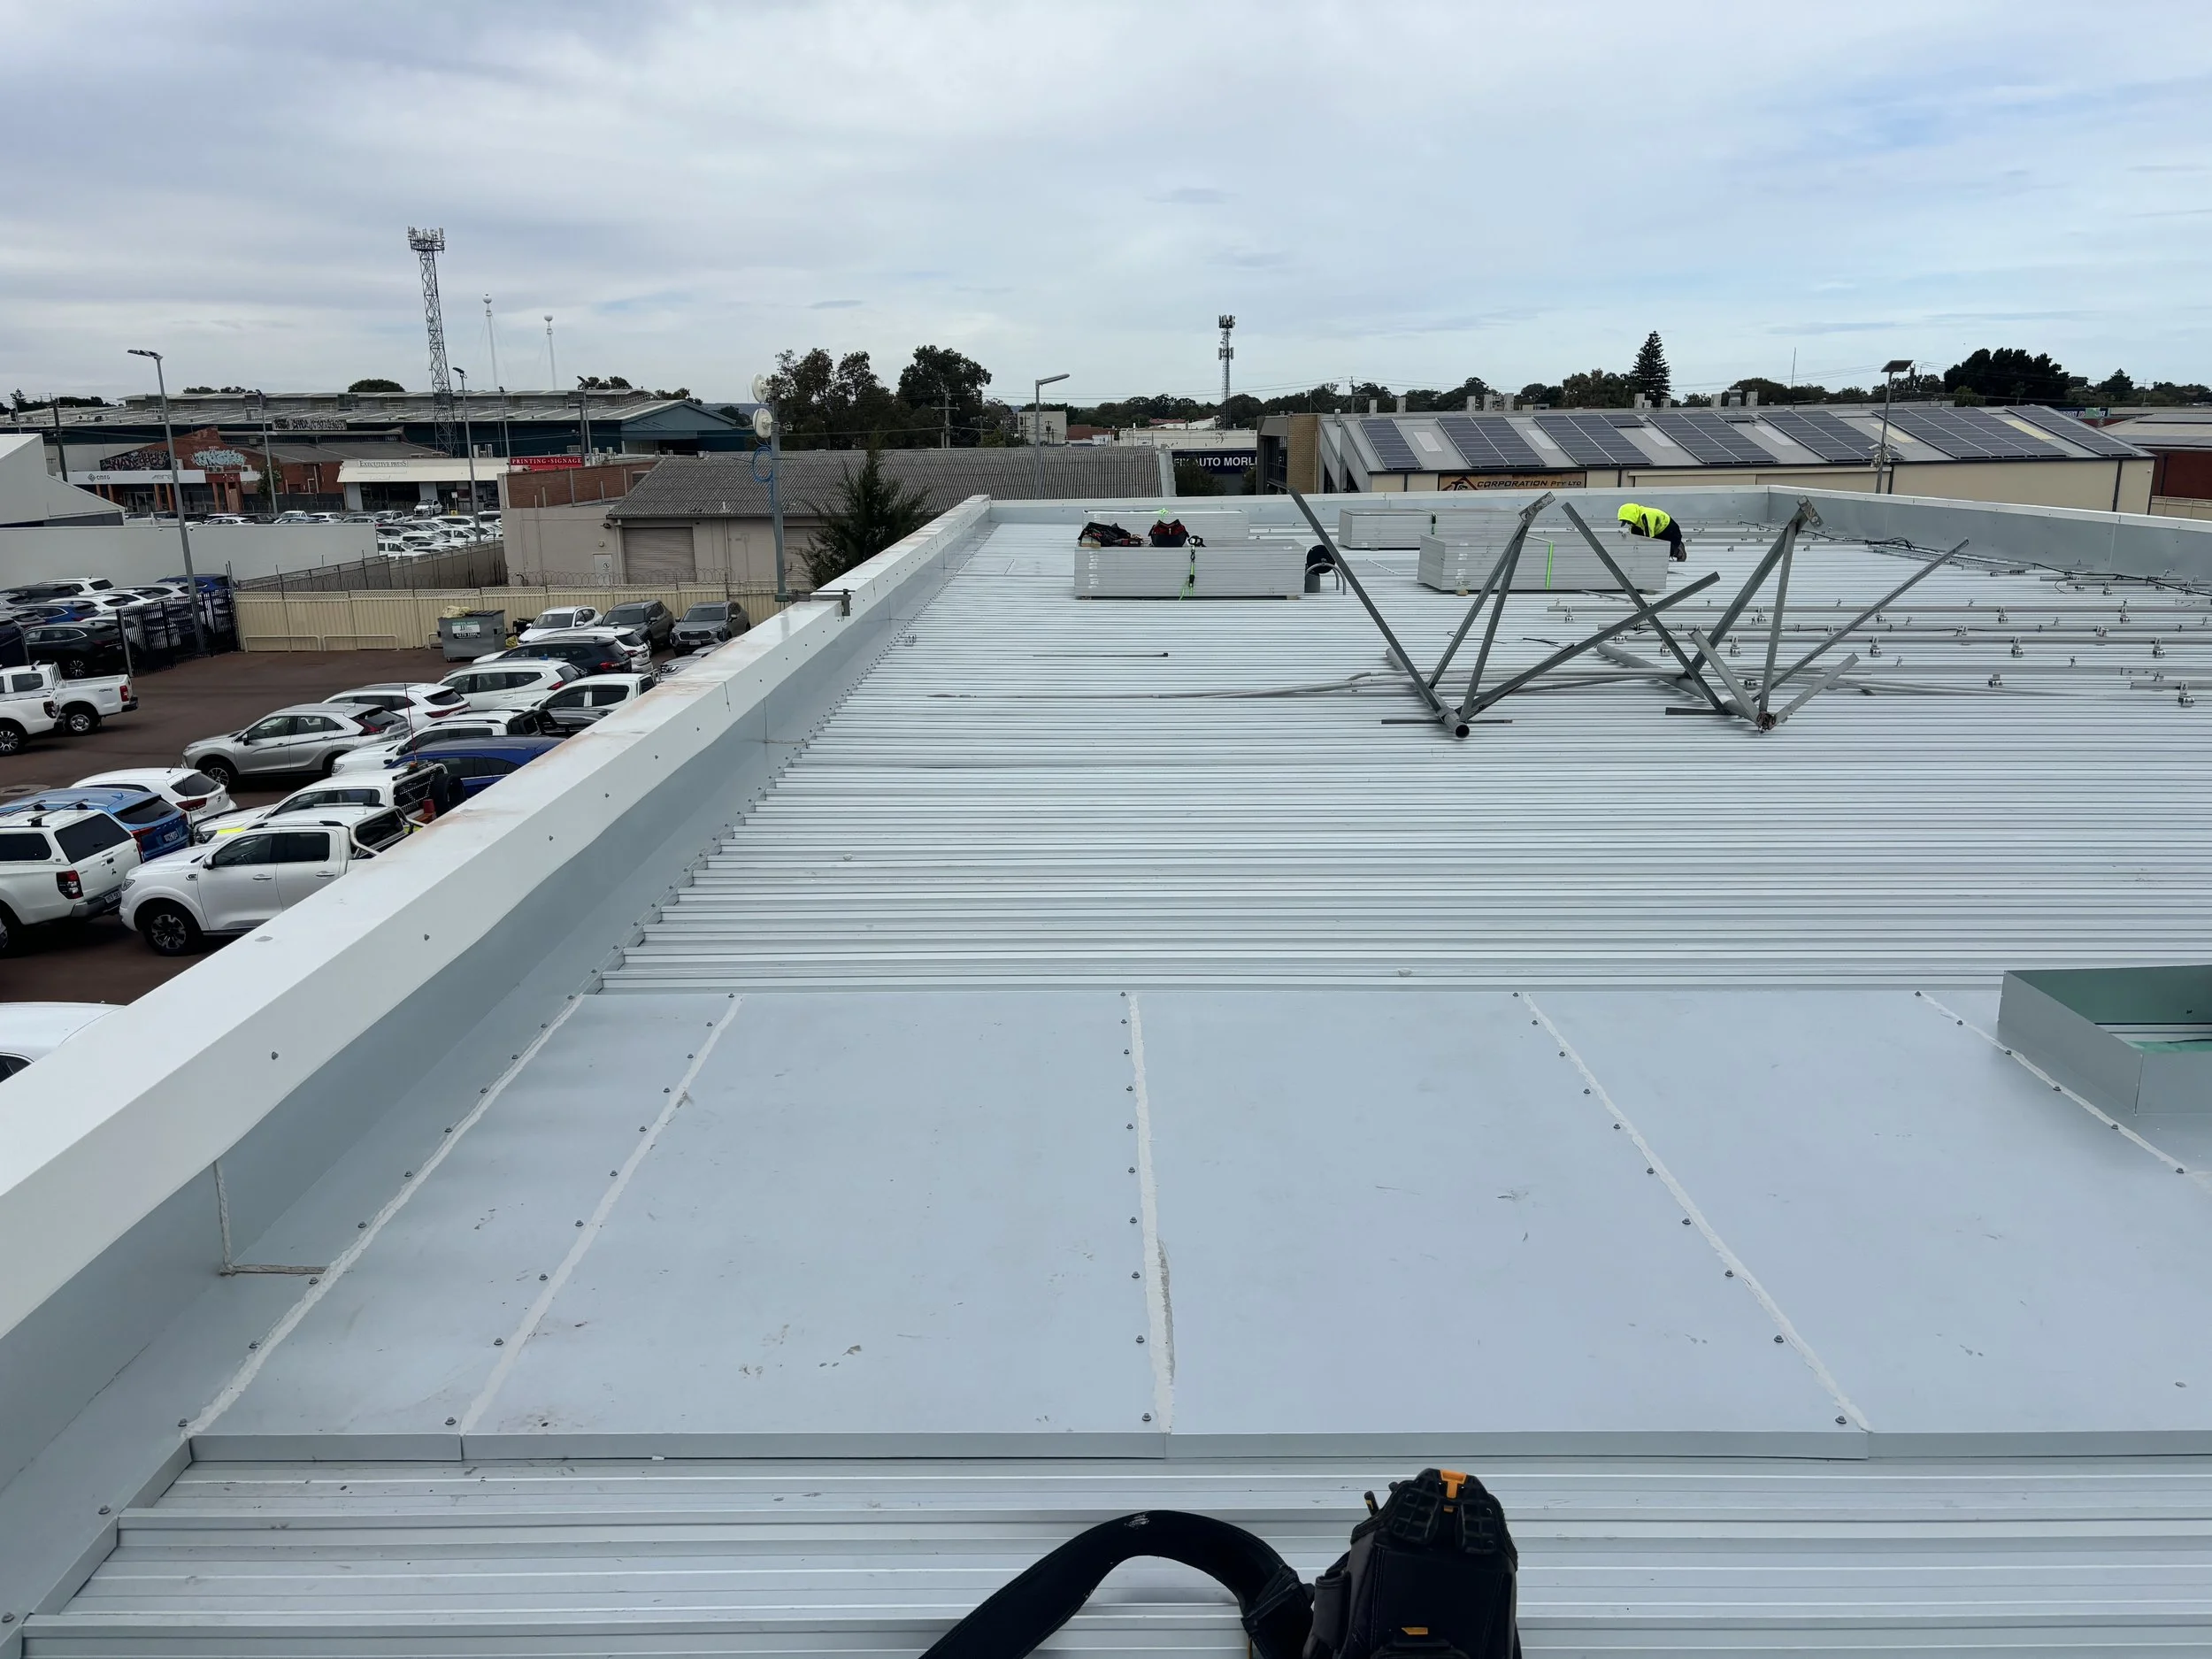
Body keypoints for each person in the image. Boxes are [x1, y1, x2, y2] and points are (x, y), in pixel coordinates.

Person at [1617, 503, 1687, 561]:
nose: (1628, 523)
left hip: (1670, 532)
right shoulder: (1636, 519)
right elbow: (1633, 537)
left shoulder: (1646, 515)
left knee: (1663, 553)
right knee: (1636, 532)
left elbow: (1649, 537)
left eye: (1628, 521)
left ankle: (1678, 550)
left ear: (1632, 515)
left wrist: (1646, 554)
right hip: (1658, 532)